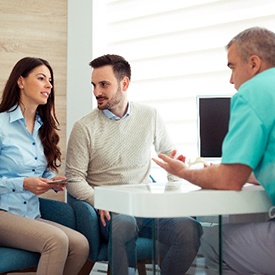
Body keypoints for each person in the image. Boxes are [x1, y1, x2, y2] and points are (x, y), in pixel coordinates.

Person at [153, 26, 275, 275]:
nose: (231, 80)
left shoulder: (253, 92)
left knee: (213, 241)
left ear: (253, 63)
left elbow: (230, 180)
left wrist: (186, 172)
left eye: (232, 67)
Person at [66, 54, 203, 274]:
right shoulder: (84, 128)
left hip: (144, 207)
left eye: (104, 85)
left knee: (189, 229)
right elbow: (74, 179)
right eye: (94, 85)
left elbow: (169, 156)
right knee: (125, 224)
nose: (96, 92)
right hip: (110, 213)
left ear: (125, 83)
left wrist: (175, 183)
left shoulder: (149, 116)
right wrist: (99, 199)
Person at [0, 57, 89, 275]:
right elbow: (24, 180)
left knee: (80, 245)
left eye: (50, 80)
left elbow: (41, 170)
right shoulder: (1, 124)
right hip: (3, 212)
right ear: (21, 81)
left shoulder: (43, 129)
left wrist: (51, 180)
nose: (49, 85)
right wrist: (23, 184)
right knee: (56, 241)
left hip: (29, 214)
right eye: (41, 78)